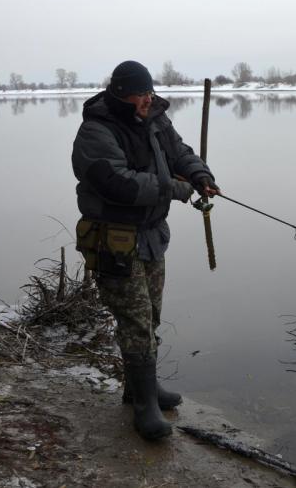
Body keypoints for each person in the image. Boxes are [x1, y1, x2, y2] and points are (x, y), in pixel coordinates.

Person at [71, 60, 219, 441]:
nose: (147, 100)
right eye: (141, 94)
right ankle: (144, 408)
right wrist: (172, 187)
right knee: (135, 322)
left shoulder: (155, 117)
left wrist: (200, 175)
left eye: (150, 93)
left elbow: (179, 151)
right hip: (114, 241)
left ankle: (141, 389)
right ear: (121, 94)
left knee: (151, 316)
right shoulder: (95, 130)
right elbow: (117, 184)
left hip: (152, 236)